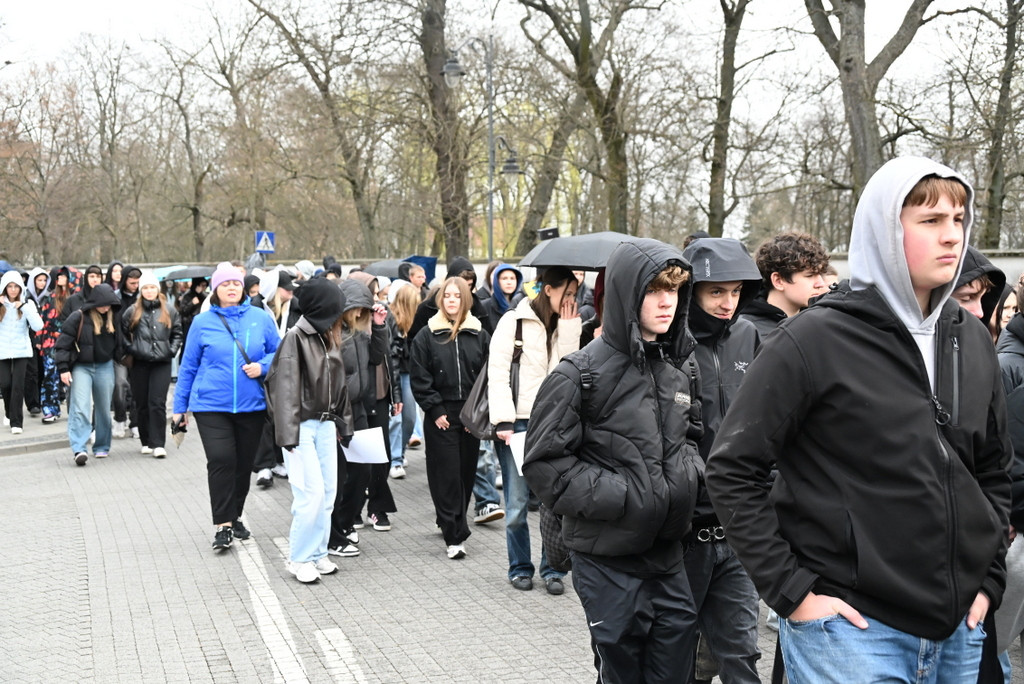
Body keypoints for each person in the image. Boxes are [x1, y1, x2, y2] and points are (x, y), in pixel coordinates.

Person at [705, 157, 1011, 681]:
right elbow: (733, 469)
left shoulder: (970, 338)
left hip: (959, 627)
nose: (951, 236)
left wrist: (990, 578)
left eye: (959, 219)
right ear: (885, 231)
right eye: (930, 220)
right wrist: (792, 592)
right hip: (850, 632)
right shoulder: (812, 340)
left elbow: (993, 469)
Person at [523, 238, 702, 682]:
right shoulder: (578, 373)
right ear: (626, 294)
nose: (667, 302)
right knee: (623, 671)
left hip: (668, 554)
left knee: (676, 670)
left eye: (675, 291)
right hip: (606, 557)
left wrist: (684, 481)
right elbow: (545, 464)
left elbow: (693, 440)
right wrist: (624, 495)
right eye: (655, 291)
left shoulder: (679, 368)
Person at [680, 237, 763, 683]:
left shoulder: (749, 336)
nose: (728, 302)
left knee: (741, 656)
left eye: (735, 291)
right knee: (679, 659)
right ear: (691, 291)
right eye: (716, 292)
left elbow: (767, 422)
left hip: (740, 530)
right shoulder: (669, 343)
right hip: (685, 535)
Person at [172, 262, 280, 551]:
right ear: (215, 290)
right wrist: (179, 407)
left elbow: (280, 352)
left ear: (243, 287)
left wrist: (263, 366)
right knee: (221, 459)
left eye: (236, 283)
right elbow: (188, 366)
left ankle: (234, 515)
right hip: (211, 404)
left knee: (244, 464)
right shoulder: (202, 322)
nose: (232, 288)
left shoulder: (260, 317)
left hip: (252, 405)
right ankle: (223, 525)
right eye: (225, 284)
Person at [489, 265, 580, 595]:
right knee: (515, 506)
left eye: (574, 294)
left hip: (554, 423)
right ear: (548, 290)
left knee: (553, 503)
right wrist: (503, 420)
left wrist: (569, 332)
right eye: (566, 293)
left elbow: (568, 375)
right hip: (518, 423)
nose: (571, 300)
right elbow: (497, 373)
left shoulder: (567, 325)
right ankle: (520, 567)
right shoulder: (513, 321)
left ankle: (553, 568)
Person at [265, 277, 354, 583]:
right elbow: (285, 388)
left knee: (327, 492)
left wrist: (345, 423)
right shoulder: (295, 337)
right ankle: (299, 558)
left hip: (326, 424)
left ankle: (317, 553)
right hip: (302, 427)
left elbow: (339, 384)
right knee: (310, 494)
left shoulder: (326, 335)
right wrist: (288, 436)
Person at [410, 277, 490, 560]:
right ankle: (455, 534)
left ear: (465, 299)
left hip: (469, 415)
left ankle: (452, 518)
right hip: (440, 414)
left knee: (465, 474)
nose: (452, 300)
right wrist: (434, 410)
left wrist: (477, 413)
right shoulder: (427, 335)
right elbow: (420, 376)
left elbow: (487, 376)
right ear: (441, 300)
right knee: (445, 475)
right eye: (447, 296)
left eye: (457, 295)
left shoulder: (479, 333)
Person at [328, 279, 389, 556]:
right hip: (338, 413)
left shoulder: (361, 332)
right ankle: (335, 530)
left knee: (362, 472)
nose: (360, 314)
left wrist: (379, 326)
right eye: (357, 309)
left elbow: (377, 357)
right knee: (339, 475)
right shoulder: (330, 334)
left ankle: (345, 521)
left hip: (361, 410)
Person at [55, 284, 122, 465]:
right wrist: (63, 368)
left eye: (109, 304)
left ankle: (101, 445)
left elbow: (120, 342)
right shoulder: (78, 317)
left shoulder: (114, 317)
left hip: (105, 366)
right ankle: (79, 448)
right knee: (81, 407)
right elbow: (62, 344)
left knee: (103, 409)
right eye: (103, 303)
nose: (106, 307)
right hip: (81, 367)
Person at [121, 272, 183, 458]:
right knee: (142, 403)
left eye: (152, 288)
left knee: (157, 402)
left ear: (157, 289)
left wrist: (170, 351)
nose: (149, 291)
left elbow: (178, 333)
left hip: (161, 363)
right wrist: (134, 349)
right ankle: (146, 440)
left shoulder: (169, 310)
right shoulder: (132, 311)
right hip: (140, 363)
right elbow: (123, 335)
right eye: (145, 288)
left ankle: (158, 443)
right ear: (141, 290)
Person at [742, 232, 830, 338]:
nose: (820, 284)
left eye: (820, 274)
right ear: (778, 281)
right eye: (810, 275)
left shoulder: (821, 322)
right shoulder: (746, 332)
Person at [0, 270, 44, 434]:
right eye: (9, 286)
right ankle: (9, 412)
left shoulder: (28, 304)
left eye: (16, 286)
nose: (12, 290)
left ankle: (16, 422)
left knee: (18, 385)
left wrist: (24, 307)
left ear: (20, 288)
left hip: (22, 350)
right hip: (2, 350)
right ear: (4, 287)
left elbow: (38, 326)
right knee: (5, 384)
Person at [386, 281, 420, 479]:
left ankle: (399, 453)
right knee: (396, 418)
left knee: (409, 418)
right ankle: (395, 459)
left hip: (409, 372)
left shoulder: (415, 322)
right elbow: (392, 356)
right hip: (395, 372)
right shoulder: (391, 320)